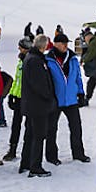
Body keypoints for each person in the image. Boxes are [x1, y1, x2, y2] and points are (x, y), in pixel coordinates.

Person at [45, 33, 90, 164]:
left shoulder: (72, 59)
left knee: (76, 127)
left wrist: (81, 93)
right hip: (55, 100)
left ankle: (79, 154)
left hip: (71, 99)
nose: (65, 46)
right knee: (51, 129)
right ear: (55, 44)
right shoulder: (48, 60)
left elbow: (78, 77)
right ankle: (51, 156)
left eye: (67, 43)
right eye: (63, 43)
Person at [20, 34, 57, 177]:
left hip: (32, 104)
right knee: (38, 135)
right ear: (43, 46)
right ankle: (35, 167)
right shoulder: (35, 61)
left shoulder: (31, 58)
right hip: (38, 105)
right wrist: (49, 97)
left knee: (30, 135)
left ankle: (26, 163)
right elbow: (39, 84)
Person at [2, 38, 32, 162]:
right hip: (19, 98)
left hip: (28, 99)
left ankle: (27, 150)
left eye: (20, 47)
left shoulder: (30, 61)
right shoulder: (21, 60)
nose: (19, 49)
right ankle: (12, 149)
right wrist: (12, 95)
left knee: (28, 125)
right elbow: (17, 81)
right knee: (16, 125)